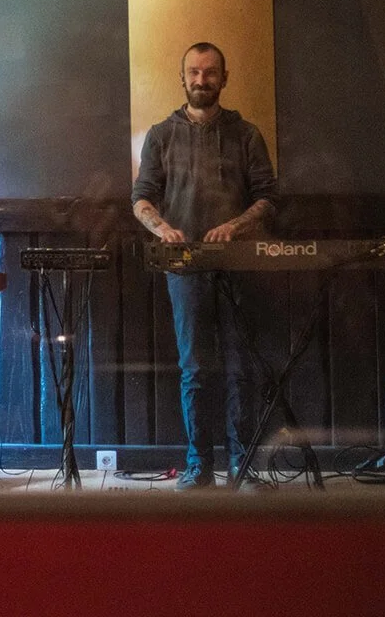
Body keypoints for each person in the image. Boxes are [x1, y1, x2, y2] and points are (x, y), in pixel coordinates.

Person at [130, 42, 277, 490]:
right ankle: (199, 466)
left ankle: (243, 464)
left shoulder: (247, 134)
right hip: (184, 267)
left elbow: (268, 198)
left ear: (224, 78)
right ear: (182, 77)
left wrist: (236, 225)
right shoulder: (160, 134)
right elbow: (140, 198)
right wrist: (163, 230)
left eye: (209, 73)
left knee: (240, 368)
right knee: (195, 368)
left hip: (238, 267)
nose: (201, 80)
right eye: (193, 72)